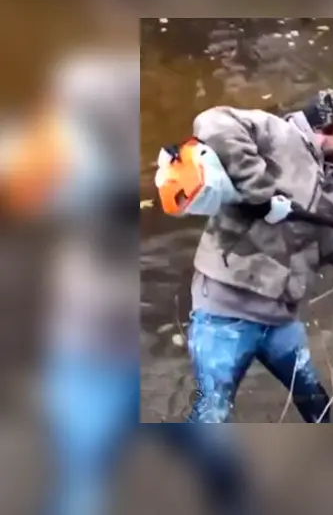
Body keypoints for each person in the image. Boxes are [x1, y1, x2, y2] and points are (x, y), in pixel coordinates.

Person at [6, 52, 254, 515]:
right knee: (85, 486)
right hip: (91, 354)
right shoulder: (62, 160)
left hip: (129, 348)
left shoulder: (81, 150)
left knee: (217, 461)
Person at [185, 89, 333, 423]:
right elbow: (212, 122)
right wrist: (260, 194)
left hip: (281, 321)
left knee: (317, 407)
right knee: (212, 411)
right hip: (223, 313)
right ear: (326, 126)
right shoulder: (276, 135)